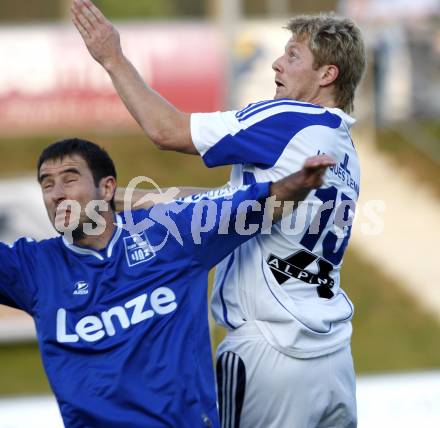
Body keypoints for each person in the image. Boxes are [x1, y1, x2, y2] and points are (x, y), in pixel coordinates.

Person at [72, 1, 366, 426]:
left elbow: (167, 130)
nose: (276, 63)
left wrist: (112, 58)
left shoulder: (288, 119)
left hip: (270, 351)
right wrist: (115, 203)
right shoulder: (344, 149)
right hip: (333, 357)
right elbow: (215, 207)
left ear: (327, 75)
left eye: (292, 55)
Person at [0, 137, 334, 428]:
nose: (57, 194)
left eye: (69, 180)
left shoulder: (168, 234)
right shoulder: (32, 268)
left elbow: (256, 205)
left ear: (107, 188)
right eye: (46, 184)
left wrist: (301, 182)